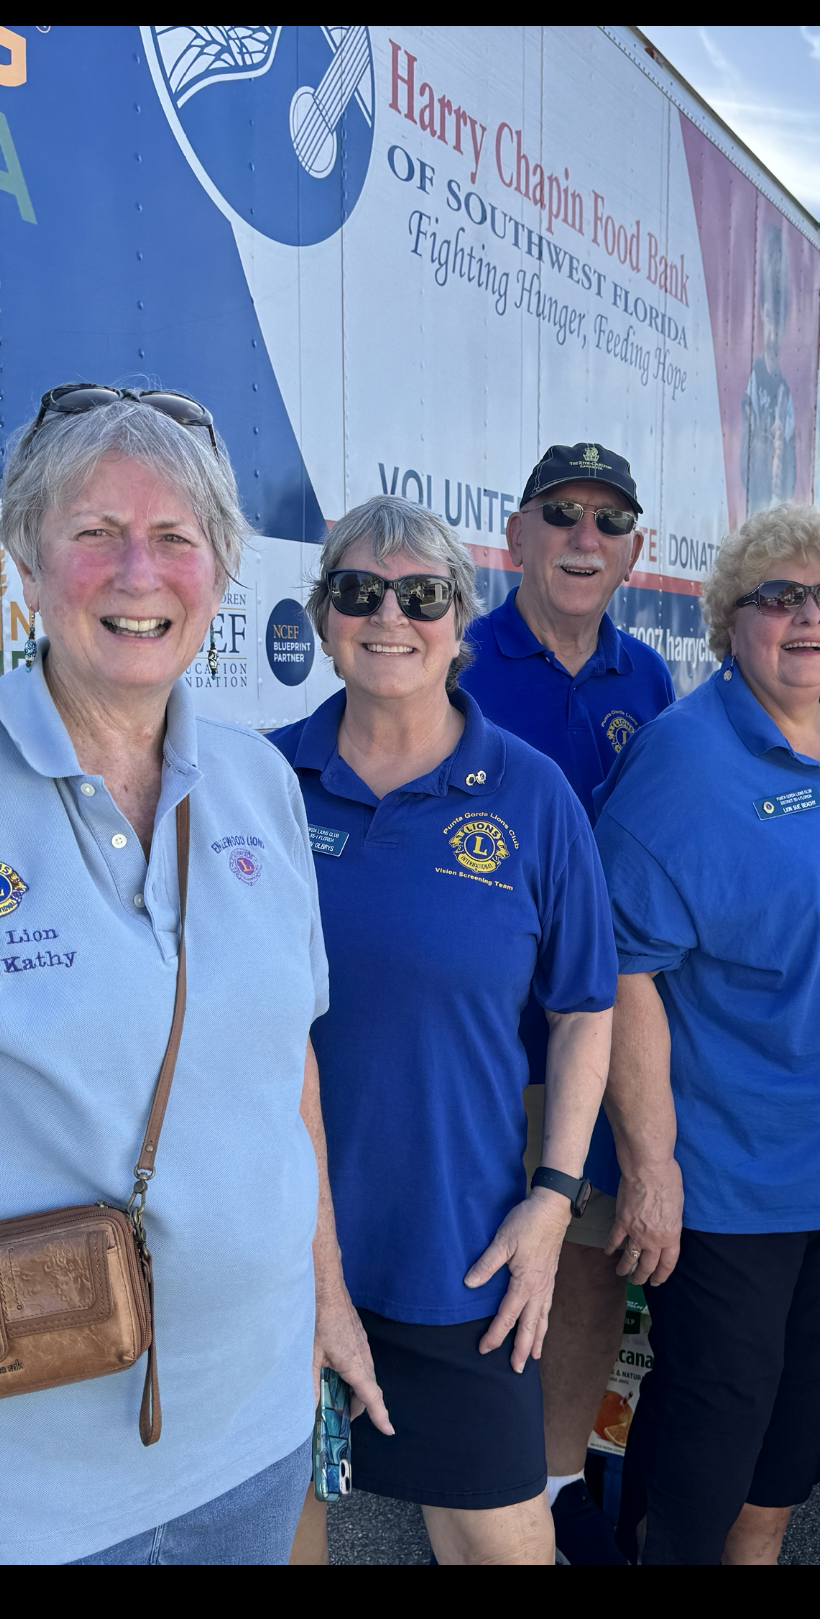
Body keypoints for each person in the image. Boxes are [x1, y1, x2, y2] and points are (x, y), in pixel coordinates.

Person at [0, 388, 387, 1566]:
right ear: (26, 557)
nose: (138, 570)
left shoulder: (259, 781)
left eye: (176, 538)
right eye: (94, 531)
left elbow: (289, 1069)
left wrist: (327, 1297)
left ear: (218, 571)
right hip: (39, 1478)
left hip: (252, 1432)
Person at [592, 503, 820, 1565]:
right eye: (778, 595)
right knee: (714, 1424)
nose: (811, 616)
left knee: (794, 1422)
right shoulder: (687, 757)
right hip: (740, 1170)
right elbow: (623, 968)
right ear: (726, 618)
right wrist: (650, 1166)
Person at [270, 495, 617, 1567]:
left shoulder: (531, 795)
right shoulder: (258, 782)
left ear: (459, 621)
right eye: (360, 591)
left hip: (455, 1253)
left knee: (502, 1545)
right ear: (325, 614)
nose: (390, 616)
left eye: (420, 594)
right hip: (275, 1250)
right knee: (282, 1535)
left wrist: (554, 1202)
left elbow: (584, 1011)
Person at [460, 443, 674, 1563]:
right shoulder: (456, 658)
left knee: (585, 1262)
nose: (585, 537)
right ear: (517, 533)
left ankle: (545, 1490)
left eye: (608, 520)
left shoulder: (649, 680)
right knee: (473, 1261)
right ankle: (468, 1485)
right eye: (563, 515)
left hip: (590, 1034)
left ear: (635, 546)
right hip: (477, 1039)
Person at [740, 223, 796, 512]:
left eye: (782, 314)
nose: (776, 326)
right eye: (772, 312)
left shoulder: (785, 394)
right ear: (761, 311)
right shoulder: (752, 381)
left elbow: (790, 476)